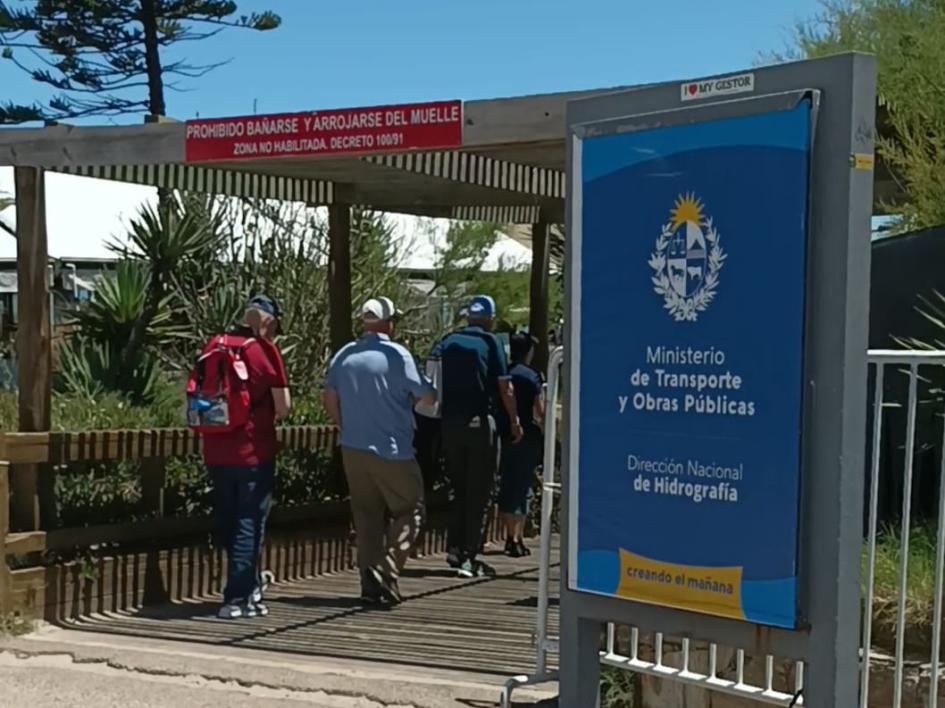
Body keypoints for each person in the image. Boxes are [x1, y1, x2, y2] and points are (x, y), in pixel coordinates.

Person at [322, 297, 435, 605]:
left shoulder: (344, 354)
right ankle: (387, 570)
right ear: (389, 322)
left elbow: (329, 397)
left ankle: (369, 584)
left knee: (367, 515)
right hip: (392, 449)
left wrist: (345, 426)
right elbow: (426, 395)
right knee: (411, 508)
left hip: (353, 447)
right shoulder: (397, 355)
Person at [201, 295, 291, 620]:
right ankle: (238, 598)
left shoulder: (215, 343)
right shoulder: (263, 351)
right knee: (248, 523)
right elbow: (283, 406)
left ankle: (247, 584)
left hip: (215, 448)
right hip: (252, 451)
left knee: (228, 520)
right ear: (267, 321)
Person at [432, 295, 523, 579]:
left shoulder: (447, 341)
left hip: (449, 425)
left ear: (467, 317)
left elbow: (431, 379)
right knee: (479, 492)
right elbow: (505, 388)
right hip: (480, 425)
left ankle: (454, 548)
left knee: (458, 488)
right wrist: (514, 421)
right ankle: (469, 557)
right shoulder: (491, 343)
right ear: (490, 318)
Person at [497, 332, 545, 557]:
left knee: (507, 483)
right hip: (528, 436)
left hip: (505, 434)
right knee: (523, 484)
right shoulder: (532, 376)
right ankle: (518, 537)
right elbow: (540, 410)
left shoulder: (504, 372)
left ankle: (509, 536)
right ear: (528, 351)